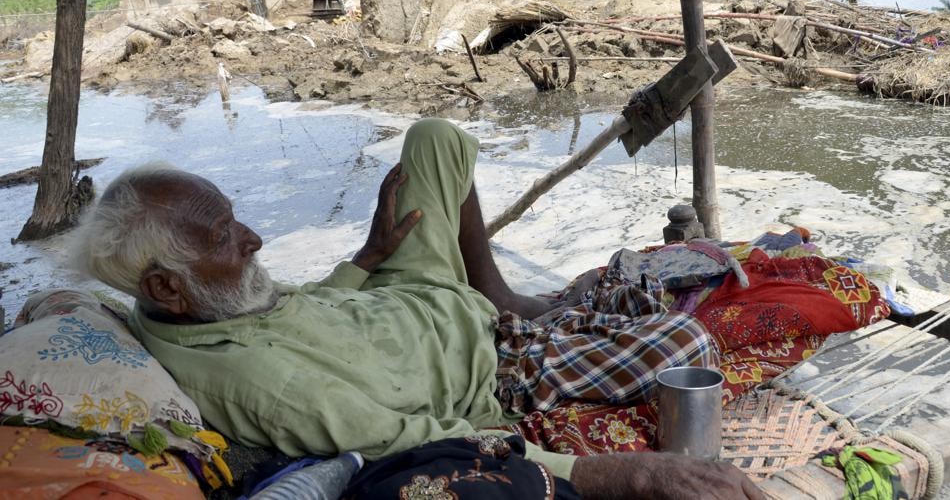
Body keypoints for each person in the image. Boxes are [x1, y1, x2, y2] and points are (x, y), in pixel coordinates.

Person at [71, 118, 763, 500]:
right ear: (164, 285)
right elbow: (416, 440)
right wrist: (626, 473)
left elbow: (298, 306)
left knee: (433, 139)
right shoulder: (263, 388)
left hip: (402, 292)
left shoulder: (194, 302)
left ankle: (498, 290)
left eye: (234, 219)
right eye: (226, 236)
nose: (253, 239)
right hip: (486, 359)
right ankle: (506, 316)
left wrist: (369, 256)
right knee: (687, 346)